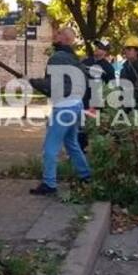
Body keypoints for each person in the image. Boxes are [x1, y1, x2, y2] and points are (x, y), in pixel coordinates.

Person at [28, 27, 91, 195]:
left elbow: (53, 85)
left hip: (63, 108)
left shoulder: (57, 58)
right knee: (72, 144)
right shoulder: (75, 59)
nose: (55, 35)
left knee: (50, 147)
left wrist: (33, 82)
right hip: (76, 106)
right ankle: (85, 175)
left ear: (65, 38)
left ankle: (49, 184)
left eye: (58, 34)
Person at [78, 39, 115, 150]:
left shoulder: (108, 68)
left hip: (97, 103)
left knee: (95, 129)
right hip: (82, 100)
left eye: (100, 47)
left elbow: (110, 87)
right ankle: (80, 152)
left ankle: (95, 152)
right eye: (96, 46)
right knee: (81, 128)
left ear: (105, 52)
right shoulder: (85, 62)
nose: (97, 48)